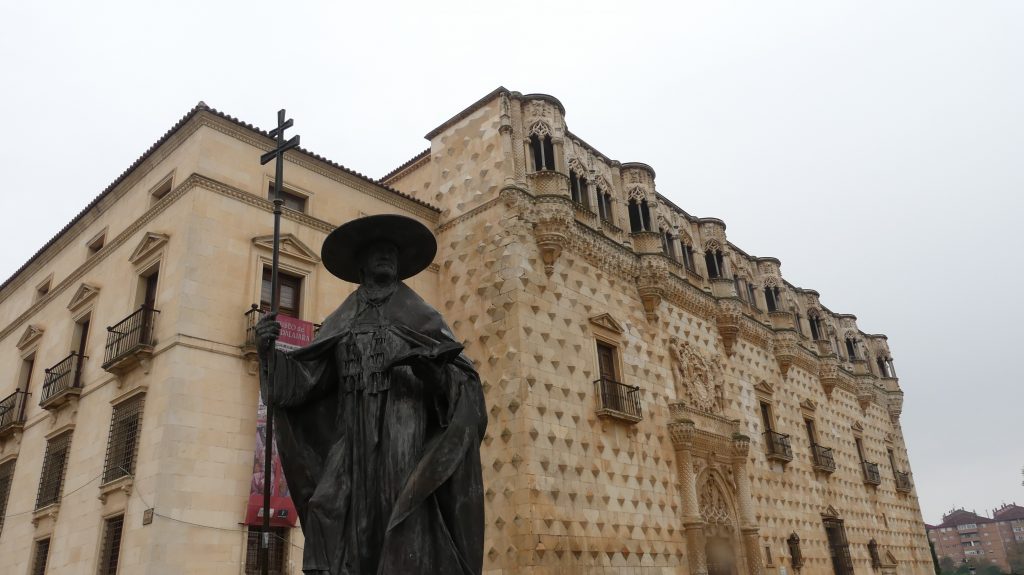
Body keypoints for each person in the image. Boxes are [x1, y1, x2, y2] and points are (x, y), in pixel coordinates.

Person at [255, 214, 486, 575]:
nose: (386, 256)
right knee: (327, 506)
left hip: (402, 427)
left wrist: (435, 373)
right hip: (351, 430)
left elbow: (461, 377)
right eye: (378, 251)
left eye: (392, 252)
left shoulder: (421, 314)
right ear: (361, 263)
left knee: (396, 511)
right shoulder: (341, 318)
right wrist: (269, 353)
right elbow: (308, 378)